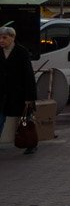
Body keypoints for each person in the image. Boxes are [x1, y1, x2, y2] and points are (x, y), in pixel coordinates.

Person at [0, 26, 38, 154]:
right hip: (3, 93)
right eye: (0, 37)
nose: (1, 40)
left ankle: (31, 143)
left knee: (25, 119)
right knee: (0, 118)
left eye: (4, 37)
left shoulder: (21, 52)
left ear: (12, 38)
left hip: (19, 93)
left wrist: (30, 97)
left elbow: (28, 75)